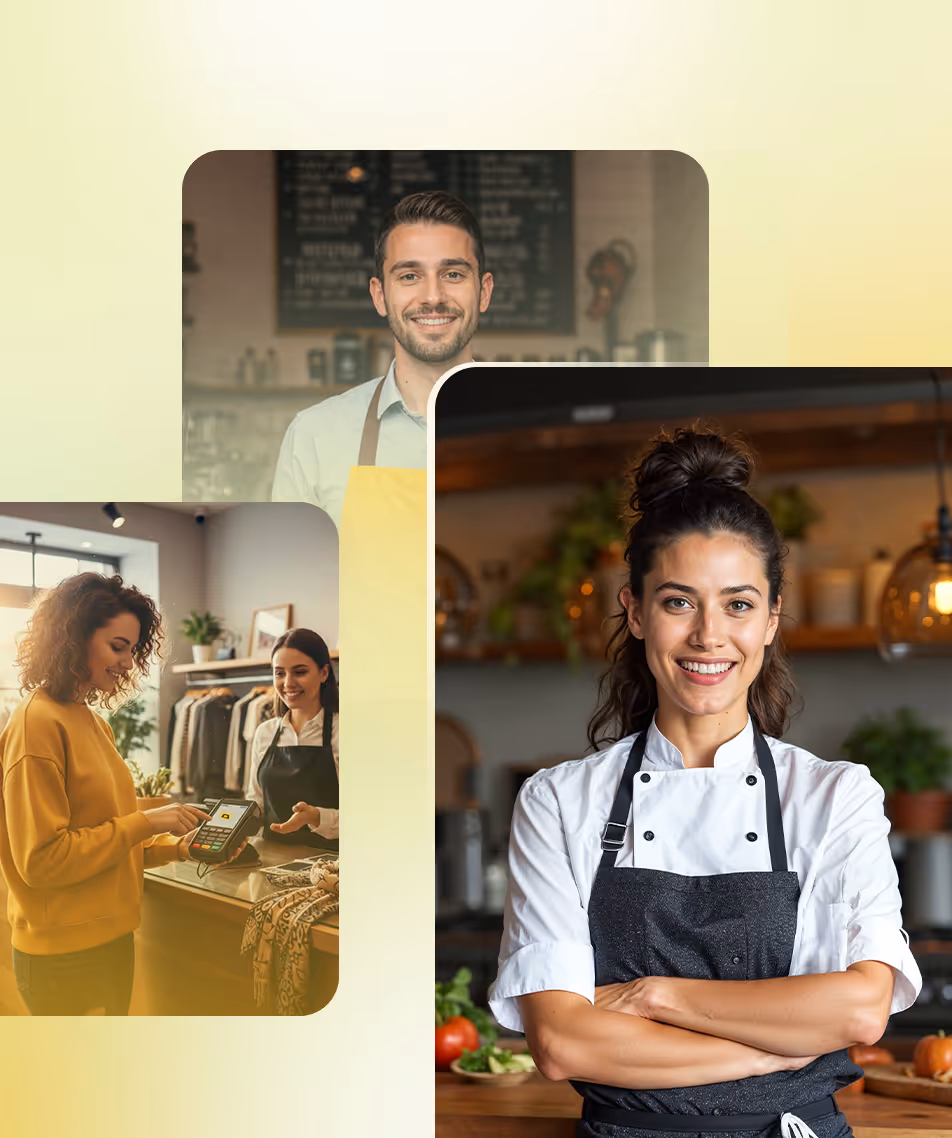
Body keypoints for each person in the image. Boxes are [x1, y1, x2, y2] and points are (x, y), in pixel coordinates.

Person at [488, 428, 921, 1138]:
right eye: (678, 602)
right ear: (634, 611)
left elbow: (858, 1012)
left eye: (739, 604)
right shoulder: (559, 801)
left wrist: (651, 996)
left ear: (772, 620)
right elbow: (563, 1043)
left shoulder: (835, 797)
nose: (709, 636)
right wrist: (770, 1050)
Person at [0, 573, 225, 1016]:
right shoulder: (37, 724)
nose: (127, 662)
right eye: (117, 646)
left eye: (132, 649)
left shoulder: (89, 720)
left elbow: (104, 831)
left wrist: (176, 846)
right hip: (61, 956)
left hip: (109, 940)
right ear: (74, 639)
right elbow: (43, 860)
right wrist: (148, 821)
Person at [271, 190, 494, 527]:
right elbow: (288, 576)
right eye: (409, 276)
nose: (433, 296)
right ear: (379, 296)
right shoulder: (314, 437)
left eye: (453, 274)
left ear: (484, 292)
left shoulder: (536, 425)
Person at [247, 628, 339, 850]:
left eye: (299, 672)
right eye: (279, 673)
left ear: (324, 673)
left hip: (332, 870)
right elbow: (256, 802)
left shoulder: (344, 731)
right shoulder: (265, 732)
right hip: (270, 862)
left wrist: (316, 817)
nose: (287, 683)